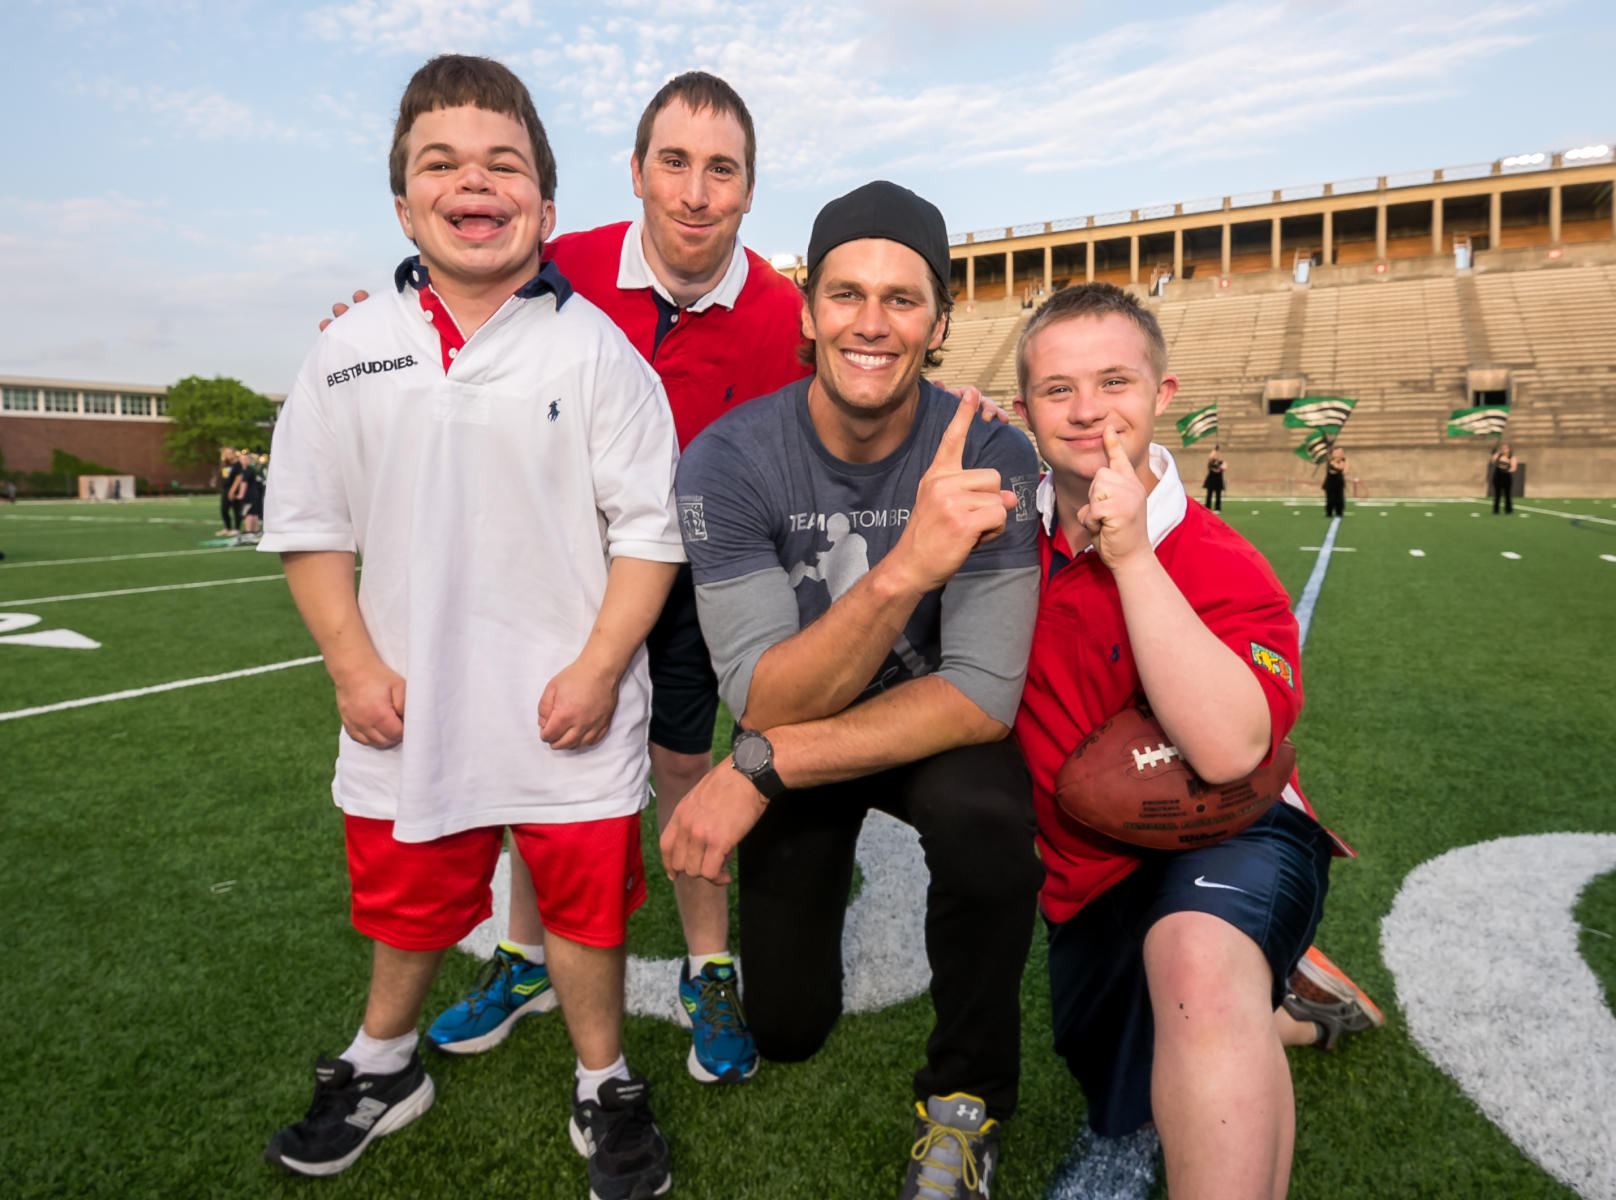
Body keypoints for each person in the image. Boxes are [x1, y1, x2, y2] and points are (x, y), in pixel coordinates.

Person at [259, 55, 684, 1199]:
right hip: (409, 704)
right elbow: (306, 523)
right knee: (407, 905)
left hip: (570, 713)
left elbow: (648, 534)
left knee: (586, 913)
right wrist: (351, 665)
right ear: (403, 203)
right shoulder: (347, 351)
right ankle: (384, 1062)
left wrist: (600, 666)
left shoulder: (600, 353)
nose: (472, 181)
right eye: (438, 163)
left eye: (503, 163)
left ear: (545, 206)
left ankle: (603, 1078)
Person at [410, 70, 809, 1084]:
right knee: (541, 761)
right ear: (635, 171)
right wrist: (387, 315)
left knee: (681, 769)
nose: (693, 192)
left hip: (686, 583)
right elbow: (443, 311)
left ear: (749, 190)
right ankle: (525, 954)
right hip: (549, 568)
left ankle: (707, 964)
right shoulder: (561, 263)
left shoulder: (780, 314)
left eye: (720, 170)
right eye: (672, 162)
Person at [661, 180, 1045, 1200]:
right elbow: (766, 694)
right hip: (807, 714)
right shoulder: (729, 461)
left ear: (941, 321)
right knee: (788, 1027)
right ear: (804, 310)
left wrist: (761, 766)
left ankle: (964, 1099)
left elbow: (978, 698)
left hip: (924, 729)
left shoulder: (993, 452)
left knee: (986, 817)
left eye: (901, 298)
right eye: (844, 294)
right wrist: (906, 567)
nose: (870, 323)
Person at [1011, 283, 1353, 1199]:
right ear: (1023, 412)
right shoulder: (998, 543)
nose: (1088, 411)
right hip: (1088, 868)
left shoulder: (1221, 560)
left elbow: (1232, 750)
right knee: (1121, 1095)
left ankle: (1242, 970)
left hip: (1230, 830)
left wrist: (1128, 556)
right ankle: (1290, 1009)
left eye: (1115, 381)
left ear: (1163, 394)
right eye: (1058, 390)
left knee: (1197, 969)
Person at [216, 447, 241, 536]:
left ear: (234, 453)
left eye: (230, 453)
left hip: (234, 490)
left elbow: (239, 478)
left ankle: (237, 529)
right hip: (225, 490)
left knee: (236, 510)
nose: (228, 455)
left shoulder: (238, 464)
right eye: (226, 453)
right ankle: (227, 528)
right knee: (224, 509)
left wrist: (232, 491)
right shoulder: (226, 464)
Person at [1489, 442, 1517, 514]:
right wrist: (1493, 452)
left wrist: (1507, 471)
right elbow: (1492, 460)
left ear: (1509, 449)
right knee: (1497, 495)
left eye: (1506, 448)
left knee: (1507, 495)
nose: (1504, 449)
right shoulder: (1498, 456)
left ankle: (1508, 510)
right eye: (1503, 448)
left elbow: (1513, 468)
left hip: (1506, 478)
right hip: (1497, 477)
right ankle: (1496, 510)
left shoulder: (1511, 457)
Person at [1322, 445, 1348, 518]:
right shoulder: (1330, 460)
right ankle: (1329, 512)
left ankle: (1339, 512)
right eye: (1338, 452)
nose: (1340, 453)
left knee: (1339, 498)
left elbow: (1343, 470)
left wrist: (1338, 464)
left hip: (1339, 482)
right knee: (1330, 498)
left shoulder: (1343, 460)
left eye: (1341, 452)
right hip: (1330, 482)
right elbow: (1331, 468)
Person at [1202, 445, 1225, 511]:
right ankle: (1207, 507)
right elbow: (1211, 456)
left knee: (1218, 495)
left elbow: (1223, 468)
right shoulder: (1211, 463)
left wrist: (1218, 466)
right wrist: (1215, 449)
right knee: (1209, 494)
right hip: (1211, 480)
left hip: (1218, 481)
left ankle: (1217, 508)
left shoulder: (1221, 463)